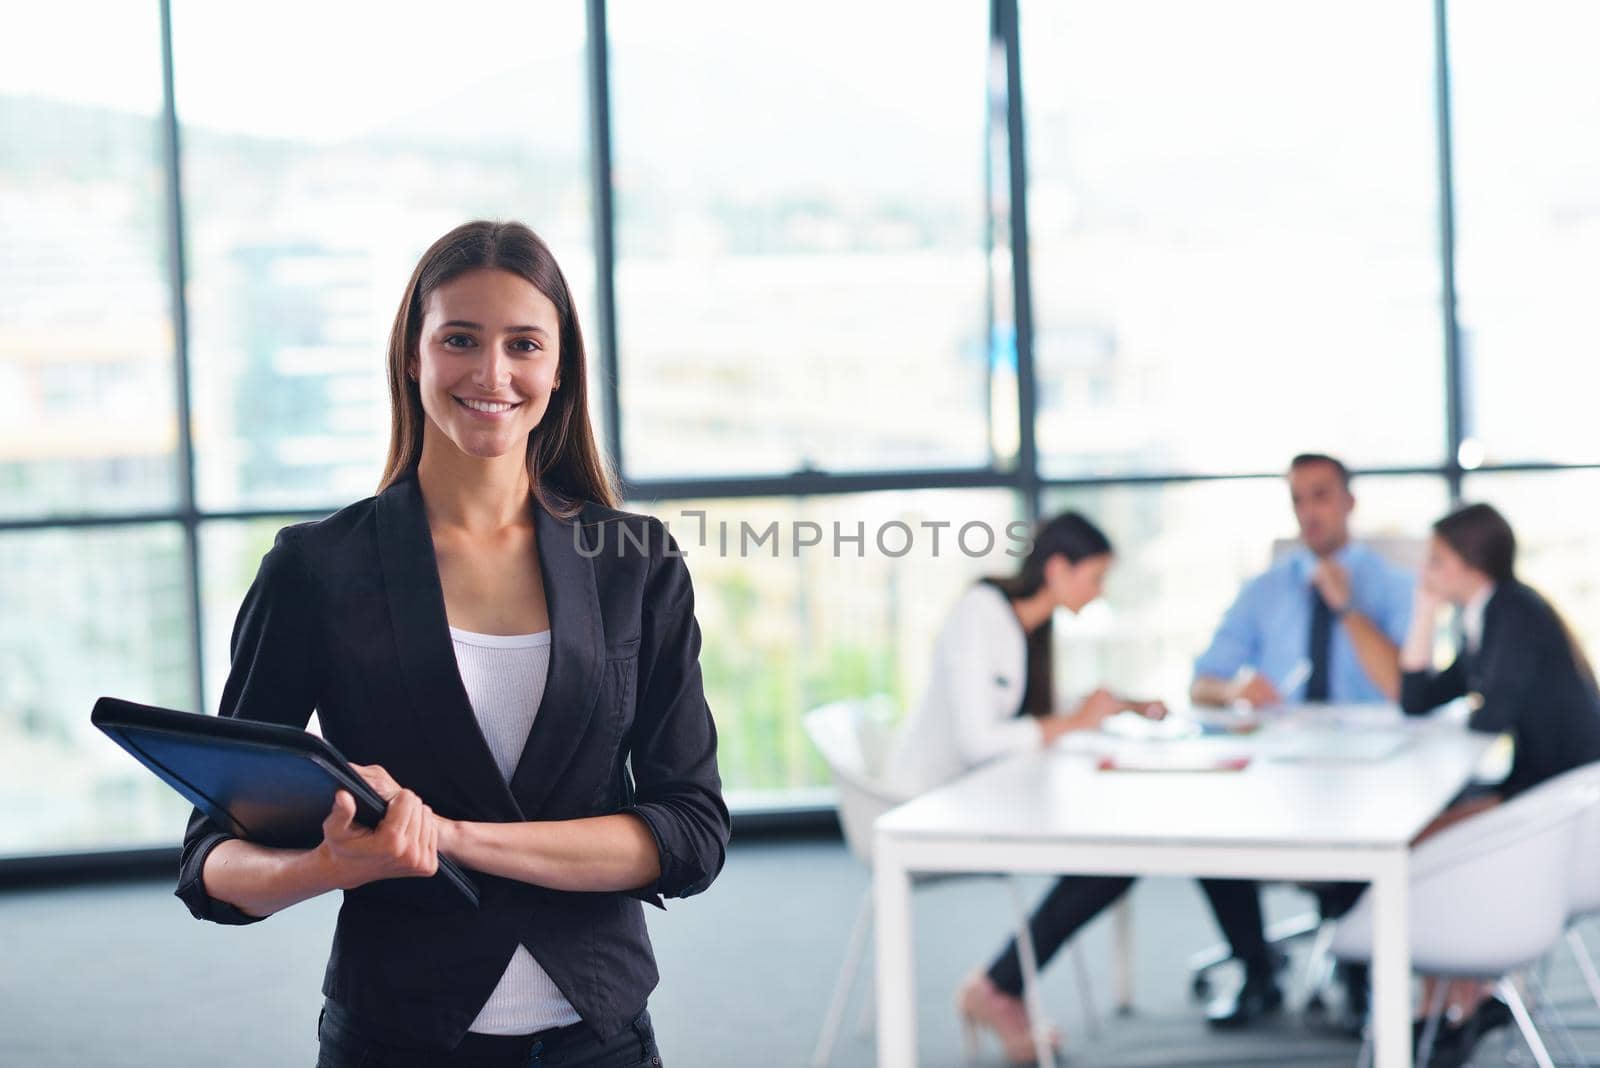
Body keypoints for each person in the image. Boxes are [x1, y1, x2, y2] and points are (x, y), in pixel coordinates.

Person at [175, 221, 730, 1068]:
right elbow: (211, 862)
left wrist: (448, 838)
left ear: (559, 367)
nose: (492, 374)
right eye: (460, 339)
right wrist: (332, 864)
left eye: (524, 344)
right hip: (395, 1037)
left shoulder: (634, 561)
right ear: (412, 355)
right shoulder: (316, 569)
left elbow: (689, 834)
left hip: (602, 1038)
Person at [881, 512, 1272, 1064]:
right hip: (930, 807)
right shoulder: (981, 614)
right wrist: (1078, 721)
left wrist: (1112, 708)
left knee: (1116, 847)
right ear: (1058, 568)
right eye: (1095, 577)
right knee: (1109, 854)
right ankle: (996, 988)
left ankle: (1000, 985)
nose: (1100, 591)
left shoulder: (1029, 626)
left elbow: (1032, 716)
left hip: (985, 792)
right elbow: (978, 741)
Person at [1189, 453, 1417, 1030]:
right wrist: (1238, 689)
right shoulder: (1265, 590)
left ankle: (1361, 973)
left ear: (1348, 502)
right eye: (1298, 500)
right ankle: (1255, 968)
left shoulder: (1392, 587)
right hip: (1279, 761)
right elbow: (1201, 684)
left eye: (1320, 496)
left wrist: (1347, 608)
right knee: (1205, 824)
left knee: (1372, 826)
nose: (1309, 512)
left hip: (1367, 767)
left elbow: (1404, 687)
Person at [1395, 502, 1600, 1066]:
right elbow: (1418, 700)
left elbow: (1493, 715)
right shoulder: (1483, 616)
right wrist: (1422, 614)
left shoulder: (1515, 612)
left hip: (1562, 808)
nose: (1426, 574)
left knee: (1429, 842)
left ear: (1469, 564)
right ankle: (1450, 1006)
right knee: (1430, 836)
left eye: (1436, 562)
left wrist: (1474, 702)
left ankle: (1448, 1008)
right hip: (1543, 793)